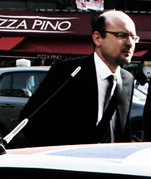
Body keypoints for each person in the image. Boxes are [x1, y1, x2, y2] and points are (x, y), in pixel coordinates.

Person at [10, 10, 137, 147]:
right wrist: (57, 157)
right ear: (97, 38)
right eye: (122, 35)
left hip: (109, 165)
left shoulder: (127, 79)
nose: (130, 43)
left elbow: (123, 133)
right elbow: (31, 119)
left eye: (133, 37)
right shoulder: (69, 72)